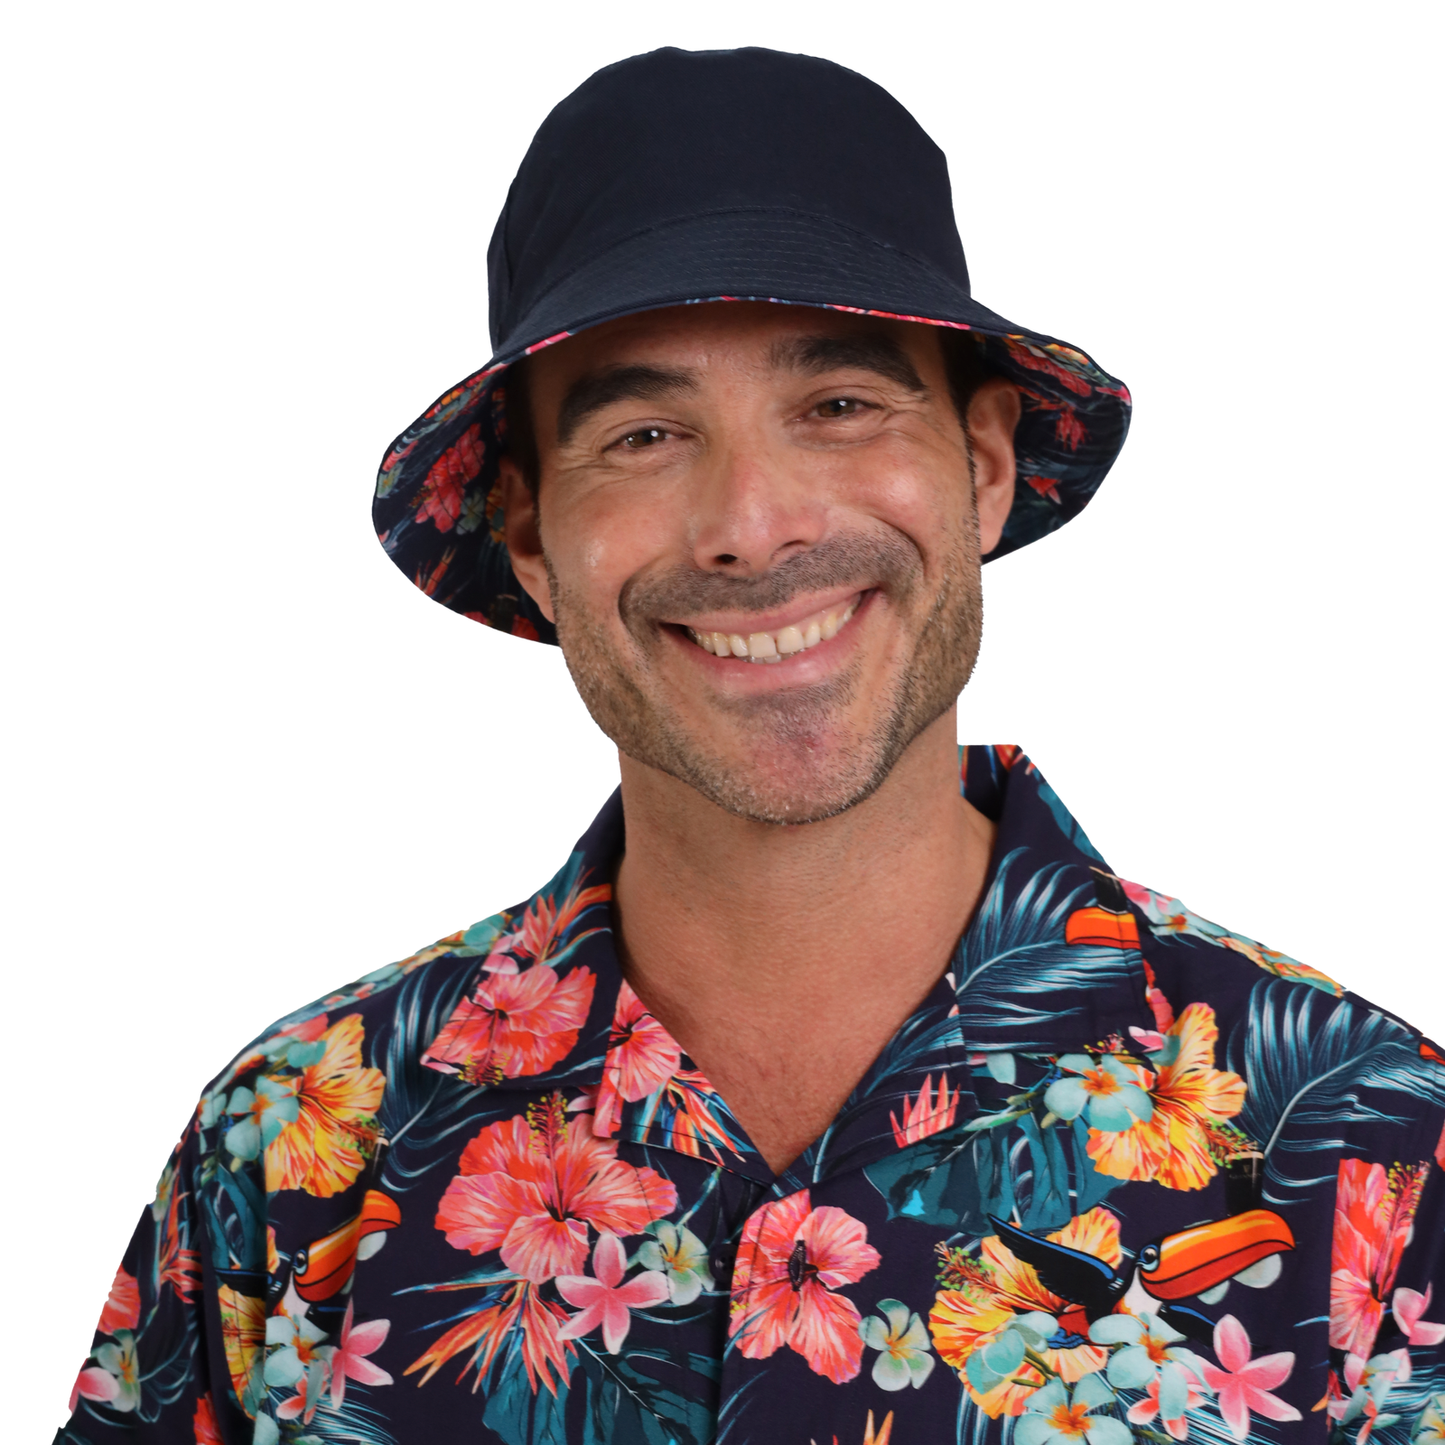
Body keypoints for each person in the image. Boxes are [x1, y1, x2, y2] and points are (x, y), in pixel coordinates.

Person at [56, 45, 1445, 1445]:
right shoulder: (291, 1157)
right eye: (646, 434)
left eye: (839, 407)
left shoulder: (1373, 1153)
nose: (752, 523)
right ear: (532, 536)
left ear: (980, 465)